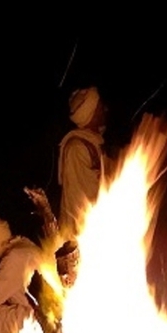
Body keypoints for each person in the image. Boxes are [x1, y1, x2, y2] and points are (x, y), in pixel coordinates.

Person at [58, 87, 108, 242]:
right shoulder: (77, 148)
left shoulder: (94, 143)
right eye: (100, 107)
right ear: (91, 114)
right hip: (81, 236)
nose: (105, 109)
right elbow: (82, 199)